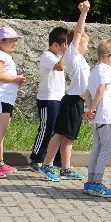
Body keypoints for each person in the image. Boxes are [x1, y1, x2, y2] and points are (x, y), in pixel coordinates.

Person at [40, 1, 91, 182]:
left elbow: (86, 85)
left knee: (69, 137)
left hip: (79, 101)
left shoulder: (81, 60)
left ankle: (66, 168)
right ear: (76, 44)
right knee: (60, 133)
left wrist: (90, 106)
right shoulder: (72, 54)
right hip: (71, 101)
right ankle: (47, 164)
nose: (87, 47)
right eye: (85, 44)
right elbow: (78, 32)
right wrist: (84, 13)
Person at [0, 26, 26, 178]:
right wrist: (16, 78)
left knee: (3, 131)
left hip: (7, 98)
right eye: (11, 40)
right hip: (1, 98)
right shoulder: (0, 55)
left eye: (15, 40)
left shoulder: (6, 56)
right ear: (1, 42)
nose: (15, 43)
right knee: (0, 131)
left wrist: (16, 80)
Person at [83, 39, 111, 198]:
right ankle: (97, 183)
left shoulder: (94, 70)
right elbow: (101, 89)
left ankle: (90, 181)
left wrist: (90, 109)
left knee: (96, 148)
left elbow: (86, 93)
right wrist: (93, 108)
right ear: (109, 55)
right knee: (106, 149)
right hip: (104, 116)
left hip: (96, 118)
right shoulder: (107, 69)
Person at [29, 27, 68, 173]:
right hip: (48, 99)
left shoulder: (58, 56)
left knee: (58, 130)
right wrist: (67, 53)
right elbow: (59, 67)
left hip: (58, 98)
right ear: (55, 44)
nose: (66, 49)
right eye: (64, 45)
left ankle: (54, 159)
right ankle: (37, 158)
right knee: (46, 129)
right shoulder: (47, 55)